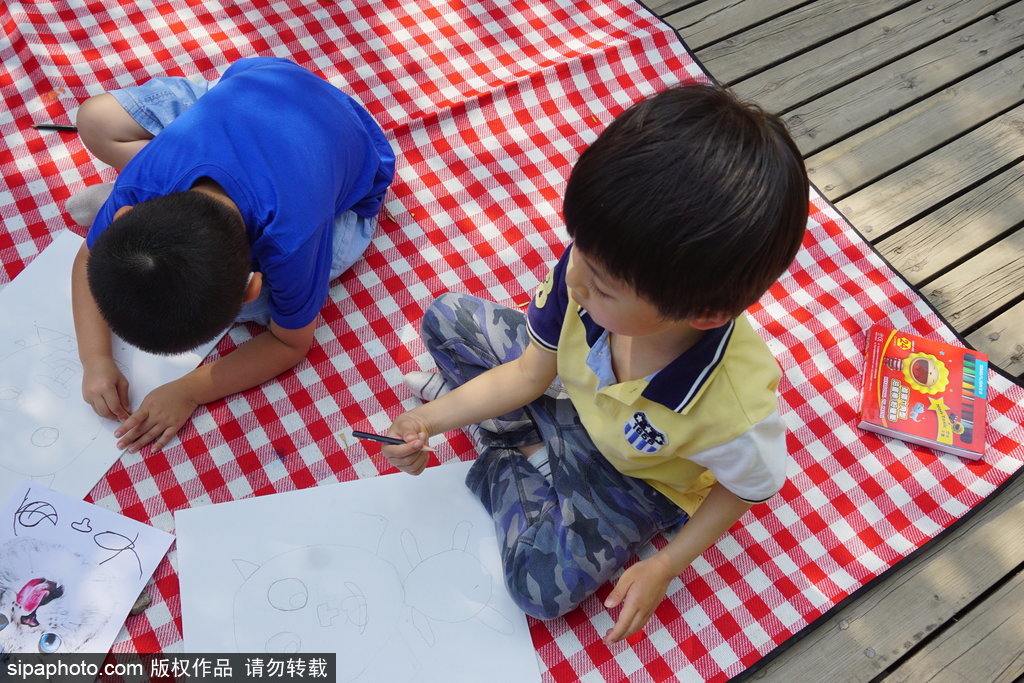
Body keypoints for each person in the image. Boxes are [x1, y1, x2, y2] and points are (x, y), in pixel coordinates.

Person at [379, 84, 808, 643]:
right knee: (446, 318)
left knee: (541, 588)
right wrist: (428, 423)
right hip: (565, 393)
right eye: (578, 246)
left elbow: (744, 489)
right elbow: (530, 373)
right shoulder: (587, 272)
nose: (574, 281)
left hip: (635, 478)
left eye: (603, 288)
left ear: (702, 313)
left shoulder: (732, 409)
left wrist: (665, 565)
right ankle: (527, 446)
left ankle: (510, 455)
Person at [70, 57, 395, 454]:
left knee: (266, 314)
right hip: (265, 86)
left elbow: (290, 343)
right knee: (94, 118)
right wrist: (95, 359)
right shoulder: (143, 177)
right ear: (127, 213)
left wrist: (189, 390)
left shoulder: (292, 238)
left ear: (251, 284)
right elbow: (88, 259)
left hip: (355, 146)